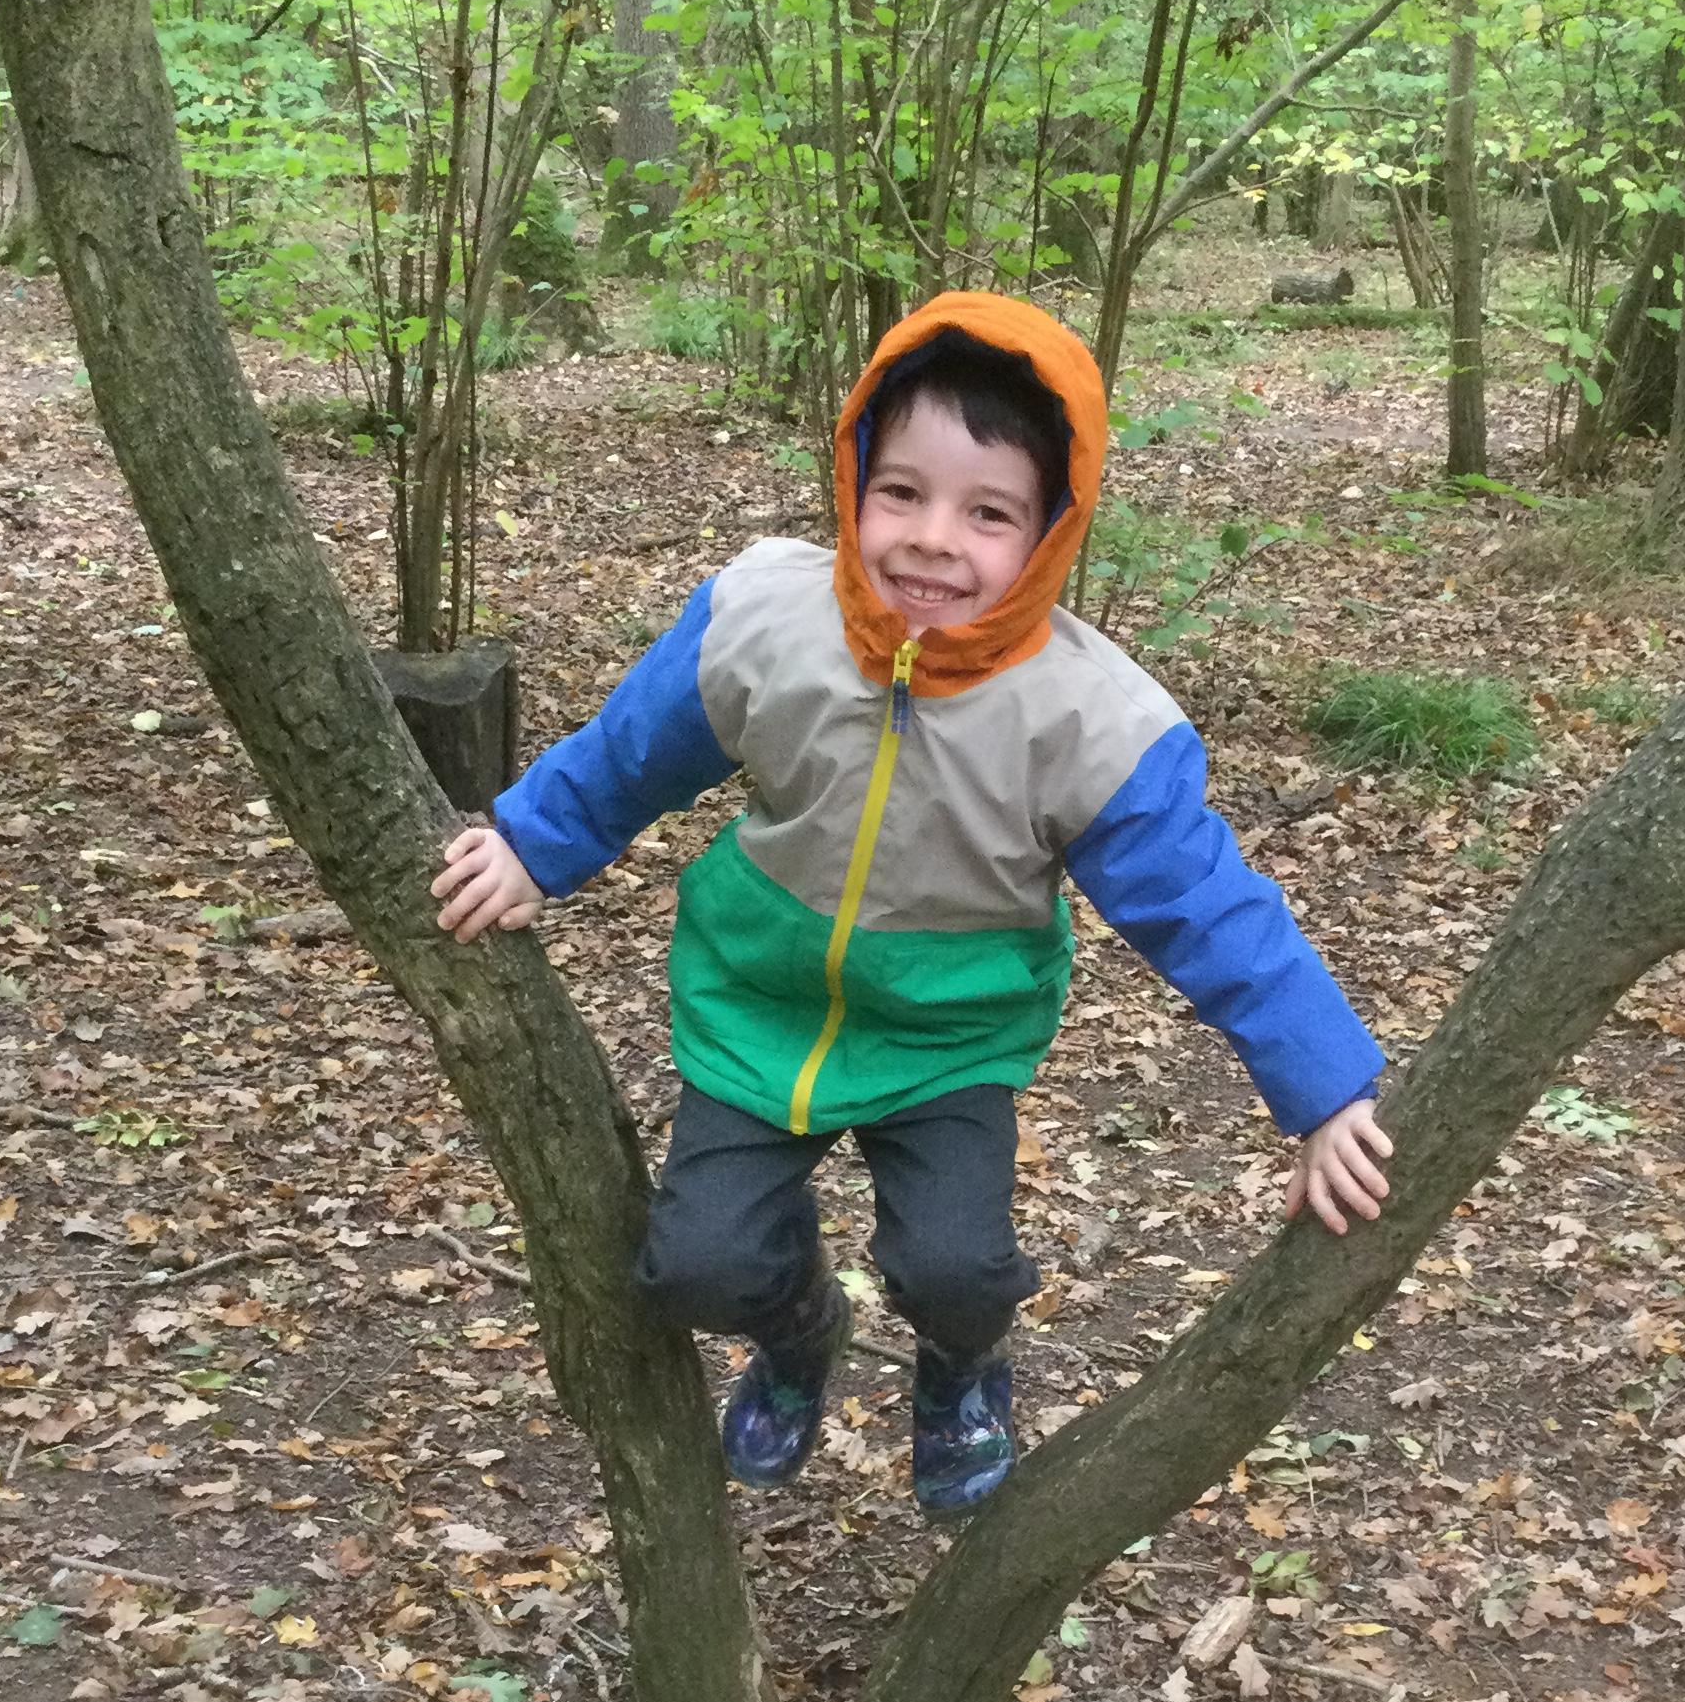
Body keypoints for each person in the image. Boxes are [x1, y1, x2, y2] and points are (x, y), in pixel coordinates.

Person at [432, 291, 1390, 1521]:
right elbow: (634, 751)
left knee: (956, 1269)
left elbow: (1209, 908)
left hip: (951, 1033)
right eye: (902, 493)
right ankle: (799, 1330)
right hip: (757, 1007)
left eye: (989, 513)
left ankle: (960, 1363)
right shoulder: (766, 623)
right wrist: (532, 843)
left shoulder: (1089, 722)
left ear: (1048, 531)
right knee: (699, 1266)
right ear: (853, 481)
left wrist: (1324, 1085)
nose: (933, 540)